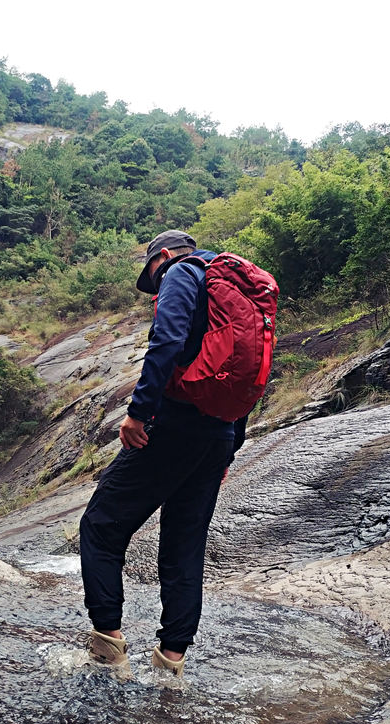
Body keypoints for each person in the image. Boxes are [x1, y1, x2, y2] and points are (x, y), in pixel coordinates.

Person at [79, 229, 248, 677]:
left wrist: (138, 412)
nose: (155, 286)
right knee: (184, 547)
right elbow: (247, 375)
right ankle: (170, 666)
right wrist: (230, 447)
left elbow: (167, 341)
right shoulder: (236, 286)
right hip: (218, 434)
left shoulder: (182, 271)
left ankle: (108, 652)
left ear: (165, 256)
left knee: (99, 526)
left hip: (173, 424)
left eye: (153, 275)